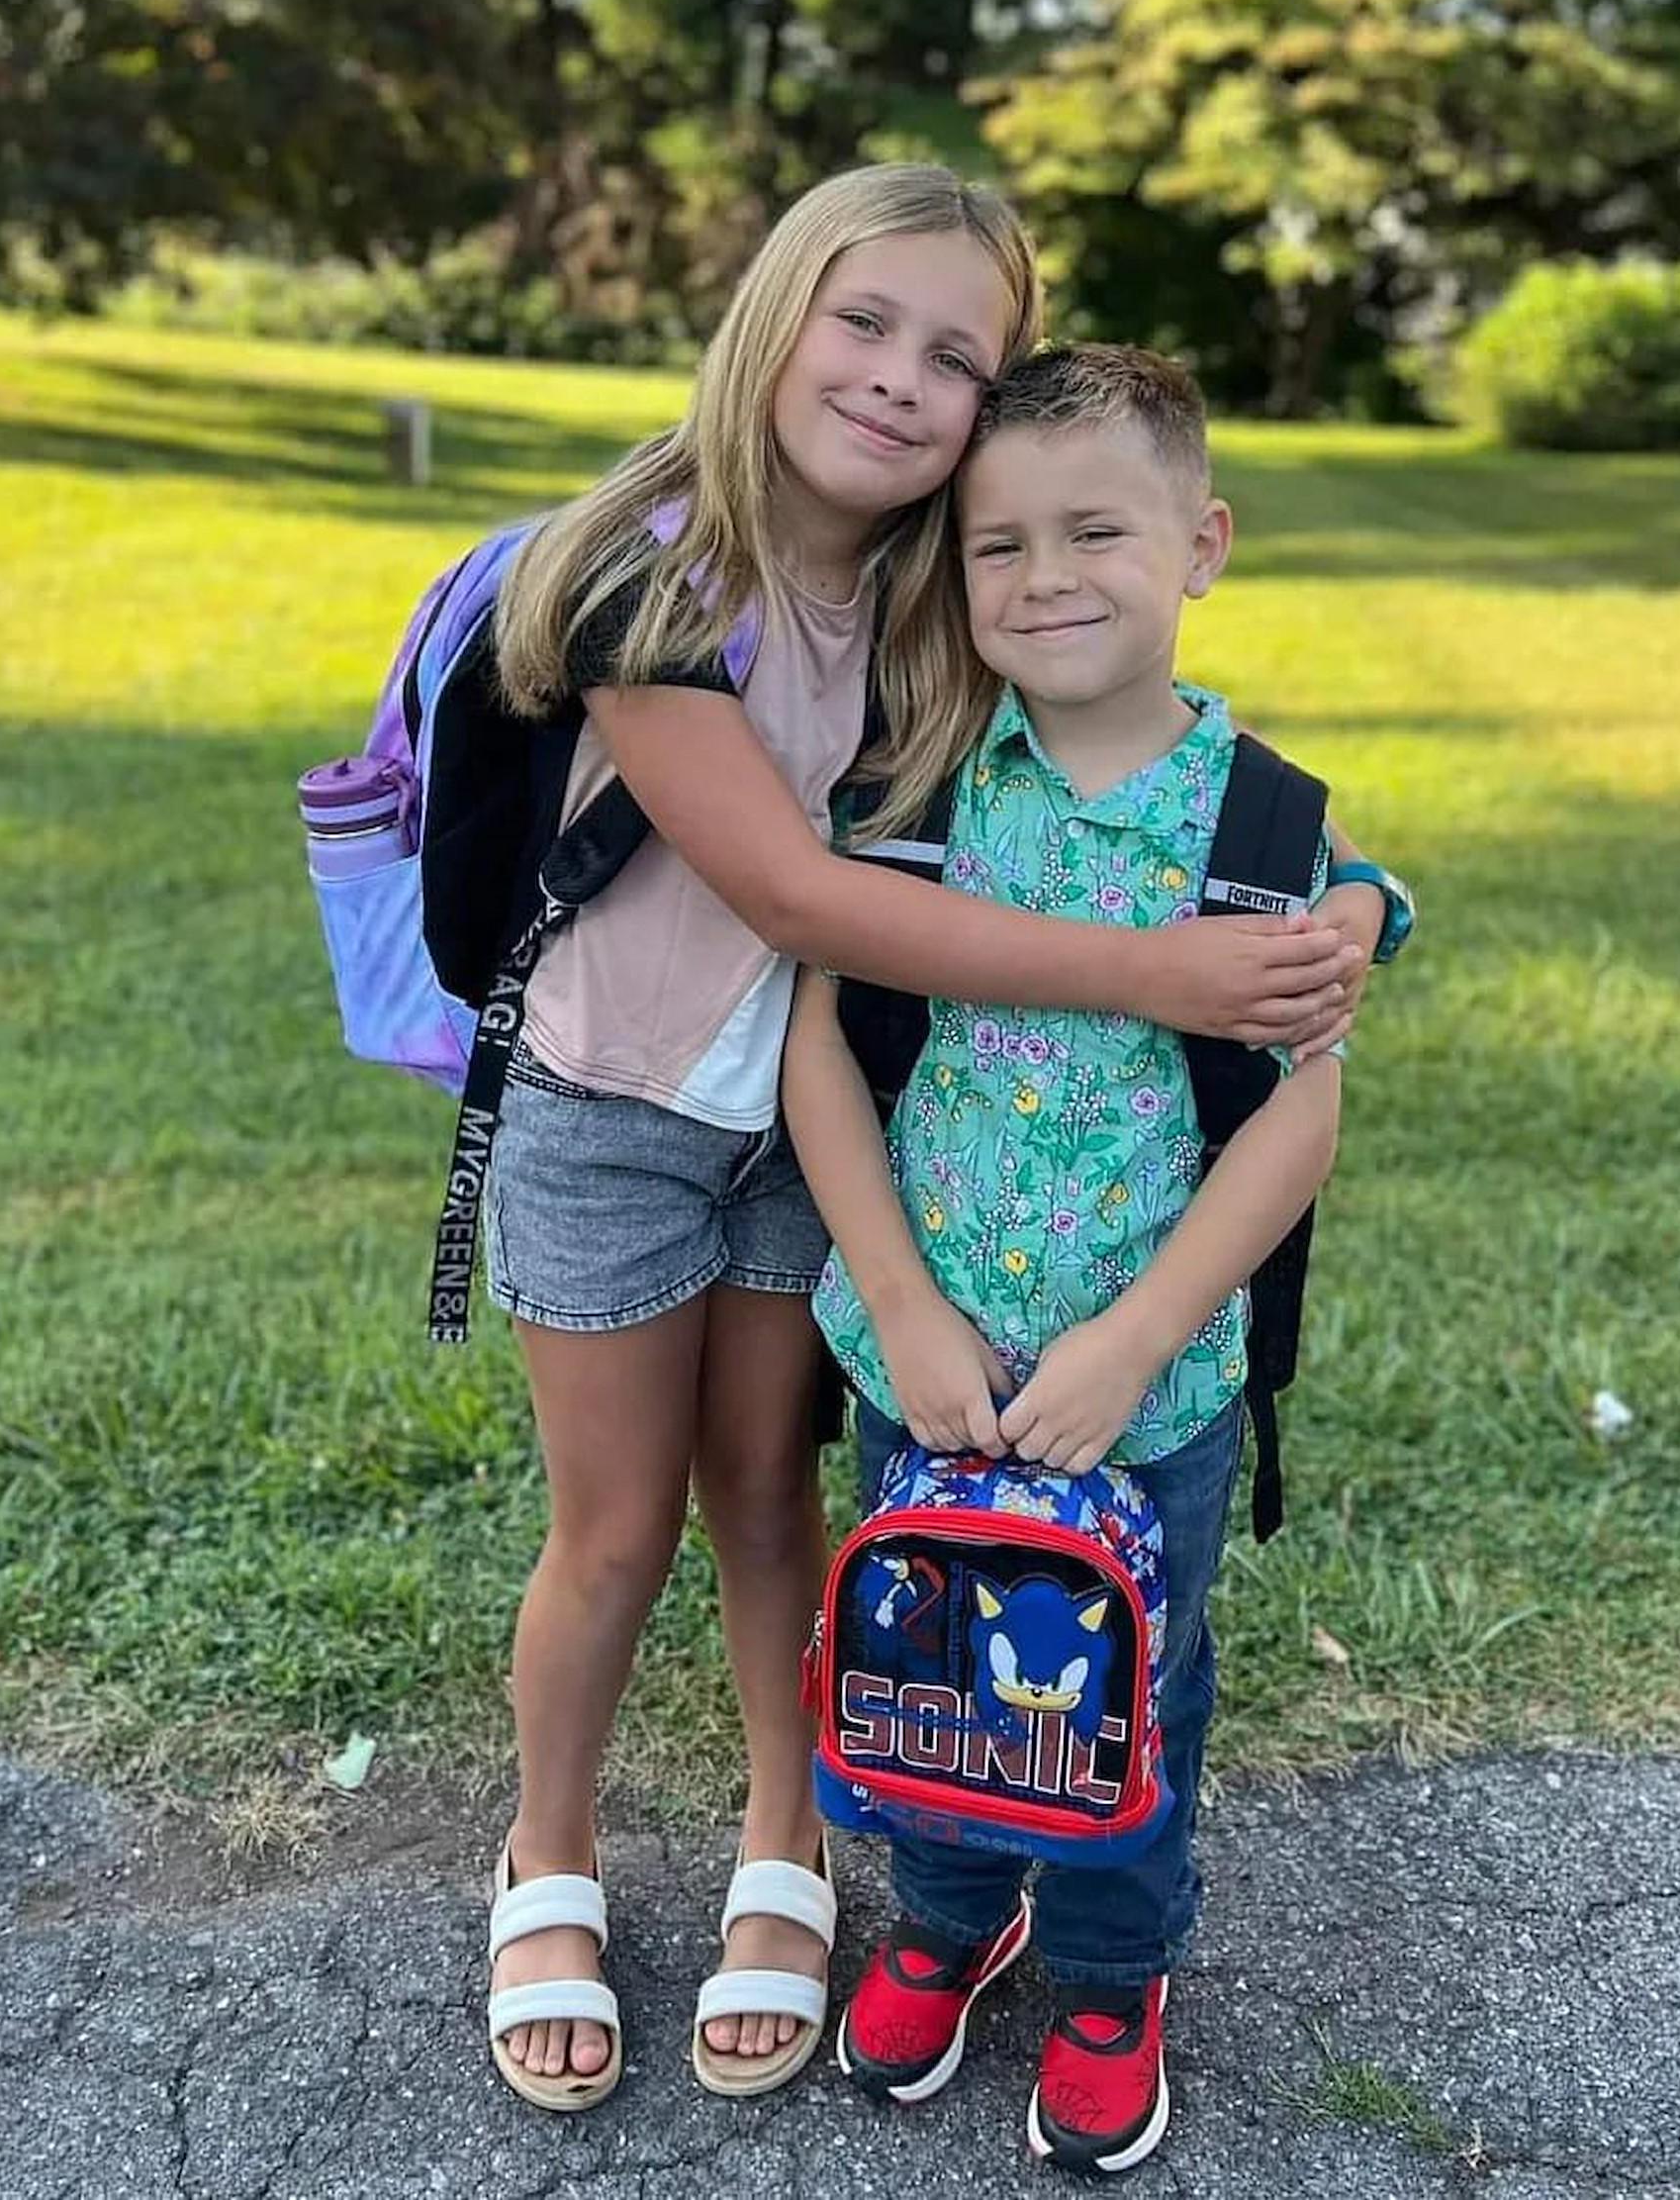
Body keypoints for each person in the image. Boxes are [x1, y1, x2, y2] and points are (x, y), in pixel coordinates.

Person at [481, 166, 1387, 2115]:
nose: (902, 378)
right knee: (621, 1523)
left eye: (955, 353)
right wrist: (1168, 977)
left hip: (896, 1197)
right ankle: (549, 1857)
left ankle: (816, 1857)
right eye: (864, 320)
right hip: (630, 1113)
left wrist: (1348, 915)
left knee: (792, 1517)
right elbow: (814, 916)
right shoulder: (665, 576)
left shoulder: (933, 596)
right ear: (772, 310)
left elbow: (1180, 795)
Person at [781, 342, 1352, 2173]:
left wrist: (1137, 1343)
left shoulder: (1268, 831)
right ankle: (950, 1920)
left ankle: (1112, 1968)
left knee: (1129, 1678)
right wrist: (897, 1302)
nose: (1041, 579)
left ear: (1202, 544)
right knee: (923, 1646)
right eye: (996, 545)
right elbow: (821, 1045)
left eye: (1094, 530)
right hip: (924, 1361)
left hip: (1150, 1384)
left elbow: (1299, 1110)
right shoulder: (926, 795)